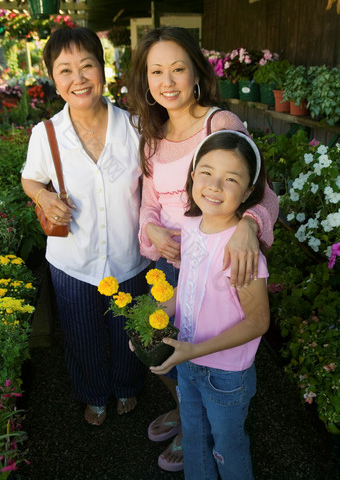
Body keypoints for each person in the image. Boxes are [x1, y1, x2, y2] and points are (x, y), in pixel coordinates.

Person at [127, 26, 278, 472]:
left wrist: (249, 227)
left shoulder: (219, 124)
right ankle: (187, 420)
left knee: (212, 355)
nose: (167, 81)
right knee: (175, 354)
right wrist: (152, 231)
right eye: (156, 71)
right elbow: (148, 205)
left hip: (219, 254)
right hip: (175, 266)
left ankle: (218, 435)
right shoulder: (151, 136)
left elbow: (261, 192)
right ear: (146, 80)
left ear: (197, 73)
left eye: (178, 68)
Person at [21, 27, 150, 426]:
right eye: (65, 70)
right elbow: (31, 178)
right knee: (81, 335)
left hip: (130, 254)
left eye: (86, 66)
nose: (78, 79)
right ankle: (94, 394)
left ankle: (127, 387)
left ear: (103, 70)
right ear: (54, 79)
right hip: (73, 259)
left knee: (128, 331)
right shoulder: (46, 135)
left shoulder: (135, 126)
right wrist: (44, 197)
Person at [150, 130, 270, 480]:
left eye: (231, 179)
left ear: (248, 192)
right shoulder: (191, 226)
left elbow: (258, 322)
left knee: (226, 446)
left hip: (225, 374)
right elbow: (187, 288)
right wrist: (153, 323)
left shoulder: (241, 252)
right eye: (206, 172)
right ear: (191, 177)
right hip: (186, 360)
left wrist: (195, 349)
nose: (215, 185)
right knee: (195, 439)